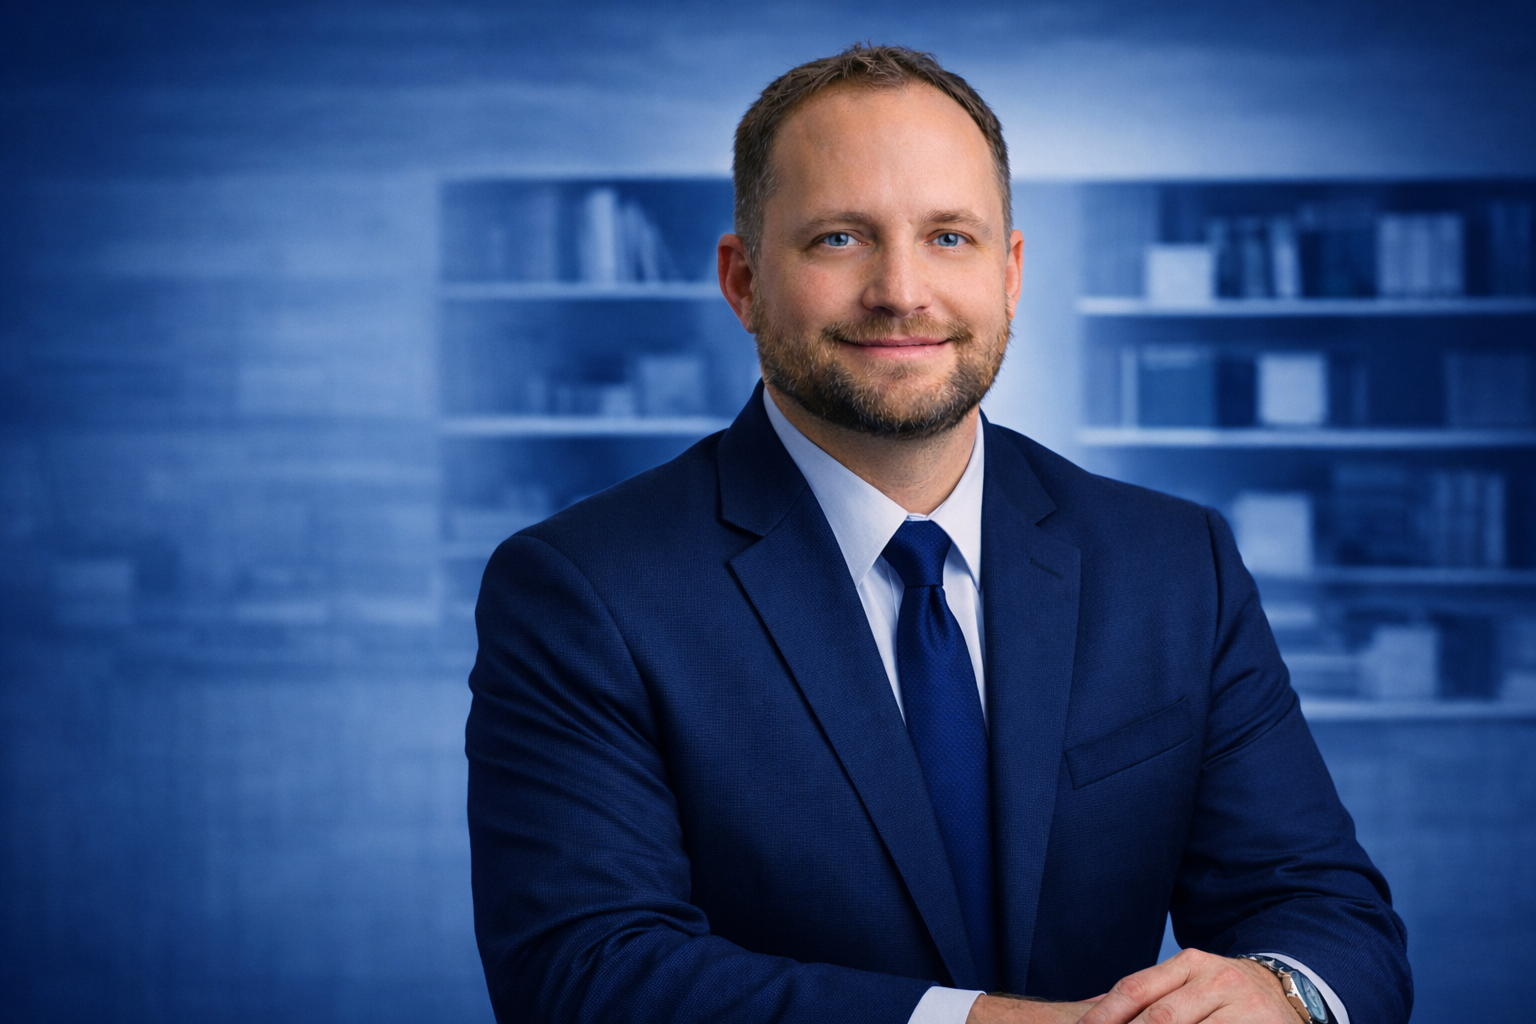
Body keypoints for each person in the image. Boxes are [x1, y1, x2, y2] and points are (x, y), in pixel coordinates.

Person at [465, 44, 1411, 1024]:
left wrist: (1280, 993)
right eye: (839, 238)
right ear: (742, 281)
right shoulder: (584, 589)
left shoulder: (1175, 564)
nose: (902, 290)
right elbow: (585, 973)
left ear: (1009, 274)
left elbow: (1328, 914)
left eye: (950, 238)